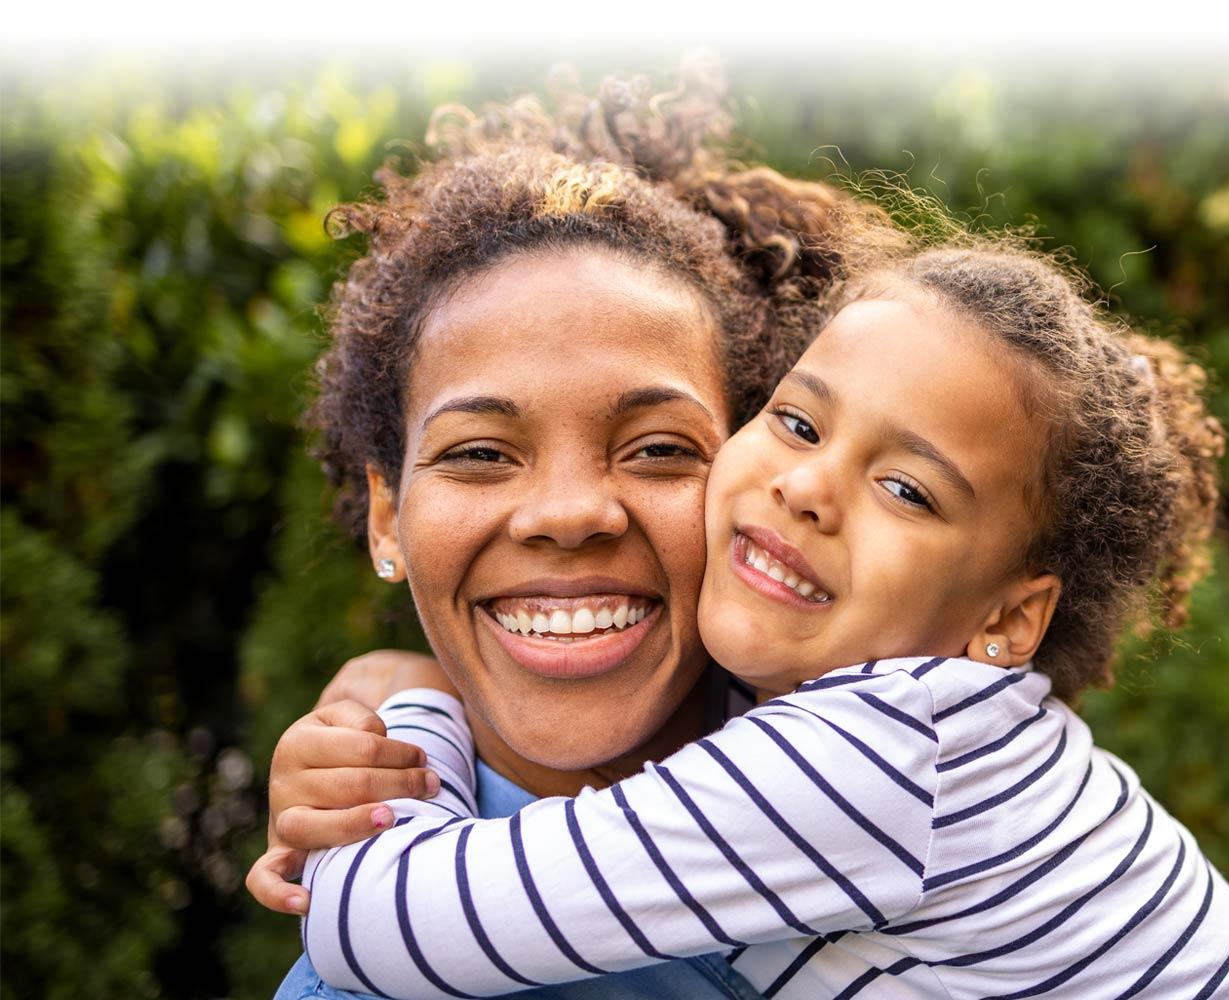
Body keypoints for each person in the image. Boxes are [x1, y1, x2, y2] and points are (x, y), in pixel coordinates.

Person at [289, 238, 1229, 998]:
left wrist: (411, 736)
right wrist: (384, 686)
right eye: (798, 421)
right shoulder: (875, 720)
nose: (810, 488)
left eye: (910, 491)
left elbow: (374, 925)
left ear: (1007, 618)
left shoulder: (874, 760)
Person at [249, 62, 893, 1000]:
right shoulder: (376, 963)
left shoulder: (902, 791)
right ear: (389, 517)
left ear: (758, 482)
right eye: (478, 453)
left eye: (660, 449)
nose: (569, 514)